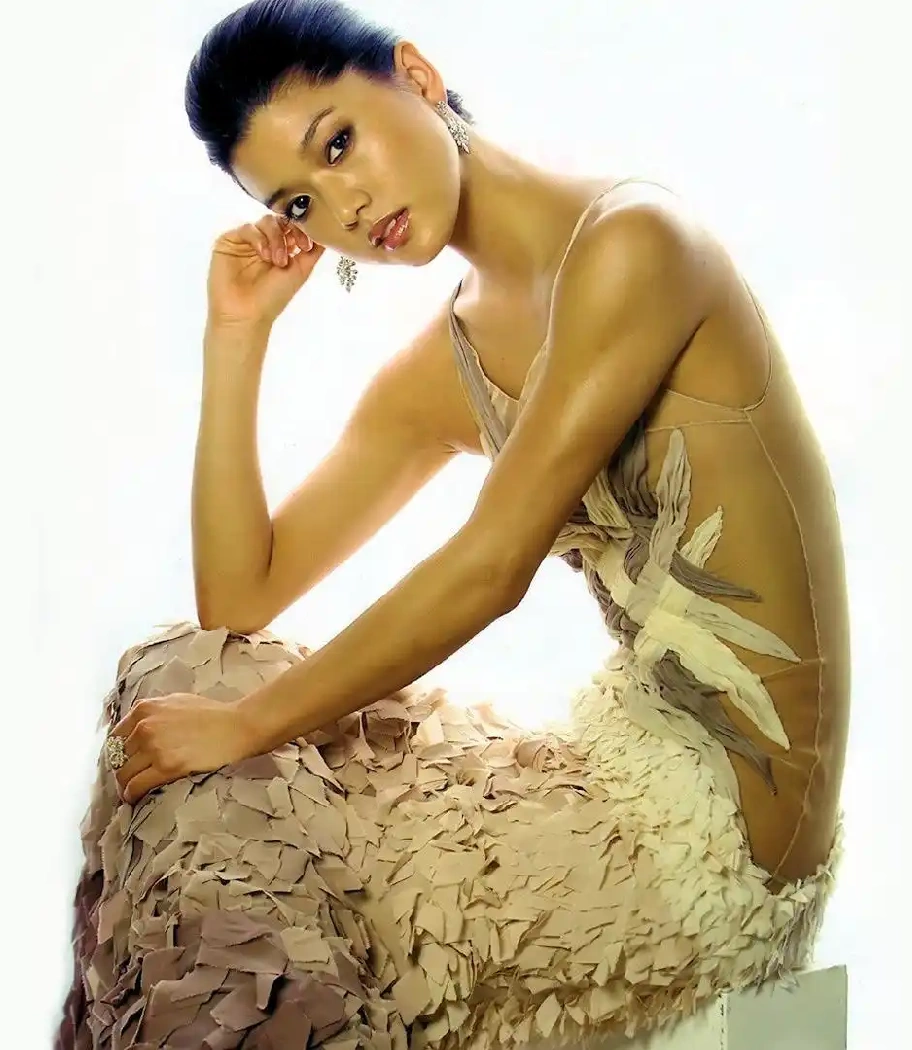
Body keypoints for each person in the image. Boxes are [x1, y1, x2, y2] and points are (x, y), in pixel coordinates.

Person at [56, 1, 850, 1047]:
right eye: (301, 201)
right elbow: (238, 598)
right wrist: (235, 334)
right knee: (188, 678)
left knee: (227, 862)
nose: (345, 205)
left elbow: (491, 567)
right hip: (618, 756)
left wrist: (249, 730)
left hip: (733, 837)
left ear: (418, 77)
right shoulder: (449, 363)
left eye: (338, 142)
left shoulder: (636, 245)